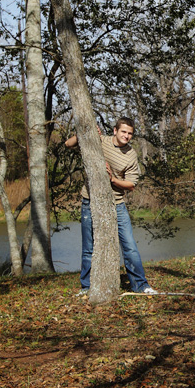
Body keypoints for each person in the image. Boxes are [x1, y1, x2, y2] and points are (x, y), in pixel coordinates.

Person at [65, 117, 156, 295]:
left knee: (129, 246)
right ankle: (87, 287)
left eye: (130, 133)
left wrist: (113, 180)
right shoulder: (101, 140)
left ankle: (141, 285)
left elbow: (131, 185)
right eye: (123, 131)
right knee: (88, 247)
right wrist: (85, 134)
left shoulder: (130, 154)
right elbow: (68, 144)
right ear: (115, 131)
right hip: (89, 200)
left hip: (117, 204)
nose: (127, 136)